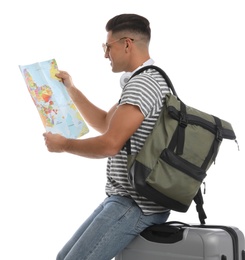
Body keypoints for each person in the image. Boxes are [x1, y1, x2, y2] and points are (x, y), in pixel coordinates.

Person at [43, 13, 171, 260]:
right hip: (123, 199)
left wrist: (64, 145)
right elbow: (105, 124)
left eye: (107, 47)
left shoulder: (143, 84)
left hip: (135, 204)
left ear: (127, 43)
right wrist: (71, 89)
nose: (105, 55)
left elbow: (110, 144)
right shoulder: (143, 81)